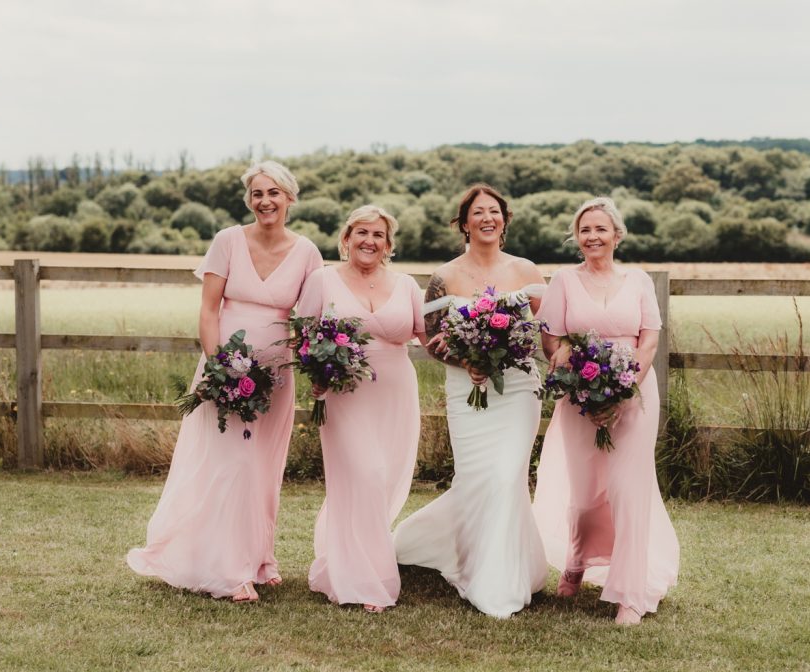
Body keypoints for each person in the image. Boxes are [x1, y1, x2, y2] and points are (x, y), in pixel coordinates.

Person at [127, 161, 323, 602]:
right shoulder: (227, 242)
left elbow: (308, 320)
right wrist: (219, 367)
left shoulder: (308, 252)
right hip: (225, 370)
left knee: (262, 468)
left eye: (274, 193)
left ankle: (259, 558)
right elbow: (209, 309)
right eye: (257, 193)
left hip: (274, 375)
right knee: (228, 463)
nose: (265, 201)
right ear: (248, 200)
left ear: (290, 198)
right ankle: (229, 569)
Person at [392, 184, 548, 619]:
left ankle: (497, 579)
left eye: (494, 212)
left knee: (505, 475)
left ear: (504, 220)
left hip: (517, 389)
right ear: (463, 223)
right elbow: (431, 338)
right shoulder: (445, 275)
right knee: (478, 477)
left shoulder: (526, 269)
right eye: (477, 212)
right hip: (468, 391)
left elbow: (546, 329)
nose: (487, 218)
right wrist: (468, 363)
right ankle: (469, 557)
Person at [532, 196, 679, 625]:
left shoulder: (638, 282)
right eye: (585, 230)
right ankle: (577, 561)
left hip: (634, 394)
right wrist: (581, 382)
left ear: (617, 235)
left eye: (600, 229)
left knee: (626, 489)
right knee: (584, 493)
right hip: (578, 393)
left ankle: (630, 592)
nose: (592, 236)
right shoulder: (562, 280)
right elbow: (552, 341)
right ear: (576, 238)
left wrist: (624, 388)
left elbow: (649, 340)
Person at [297, 205, 427, 613]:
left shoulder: (406, 284)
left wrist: (479, 355)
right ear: (347, 238)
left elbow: (429, 336)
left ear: (389, 244)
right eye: (362, 233)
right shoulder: (323, 280)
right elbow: (301, 334)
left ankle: (349, 560)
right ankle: (370, 580)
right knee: (365, 474)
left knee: (384, 479)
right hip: (344, 392)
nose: (369, 241)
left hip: (396, 393)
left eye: (378, 235)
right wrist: (314, 372)